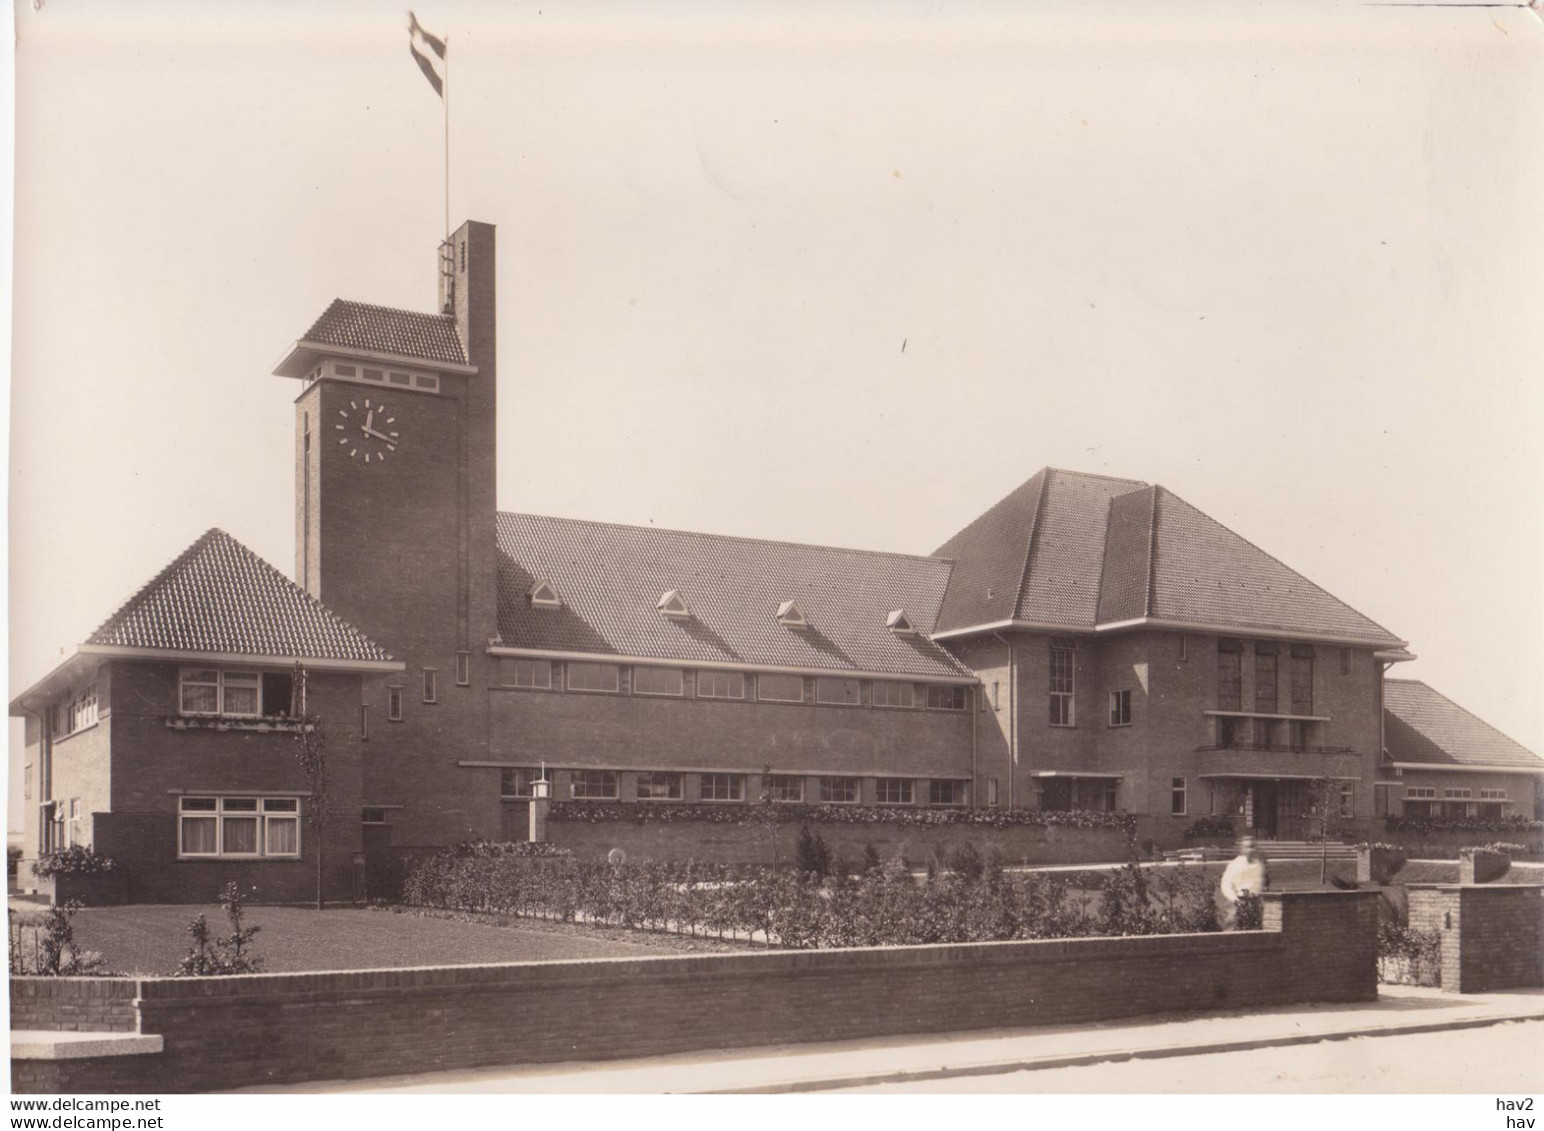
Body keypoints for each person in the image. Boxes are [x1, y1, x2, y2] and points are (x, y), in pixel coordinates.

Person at [1218, 836, 1268, 930]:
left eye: (1253, 847)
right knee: (1233, 927)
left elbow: (1260, 883)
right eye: (1248, 847)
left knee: (1255, 929)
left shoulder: (1258, 865)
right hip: (1237, 901)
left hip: (1254, 901)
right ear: (1242, 849)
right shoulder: (1235, 865)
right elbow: (1226, 885)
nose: (1251, 850)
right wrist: (1236, 901)